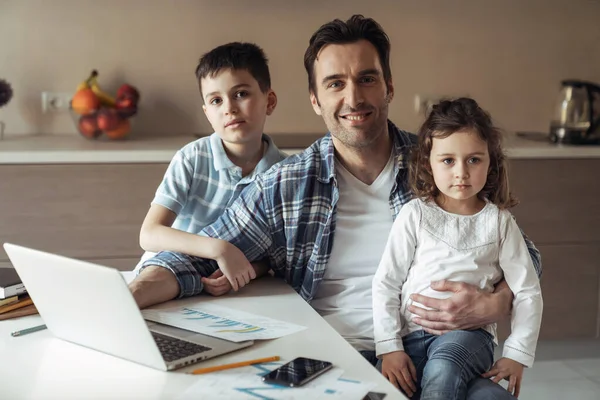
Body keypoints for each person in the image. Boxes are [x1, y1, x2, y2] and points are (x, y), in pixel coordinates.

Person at [129, 15, 542, 399]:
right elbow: (188, 260)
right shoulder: (287, 184)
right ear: (314, 99)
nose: (353, 97)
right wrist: (132, 295)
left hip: (436, 347)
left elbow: (524, 257)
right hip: (333, 357)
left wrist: (495, 302)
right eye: (334, 84)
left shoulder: (437, 165)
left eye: (366, 79)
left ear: (389, 87)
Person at [372, 97, 543, 399]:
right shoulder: (415, 214)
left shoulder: (499, 222)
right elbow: (386, 282)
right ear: (428, 163)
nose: (461, 172)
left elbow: (527, 290)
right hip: (410, 337)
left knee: (443, 370)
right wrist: (389, 347)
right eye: (448, 160)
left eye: (474, 160)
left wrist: (517, 353)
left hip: (468, 338)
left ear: (490, 162)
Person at [134, 42, 287, 291]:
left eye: (241, 94)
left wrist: (243, 272)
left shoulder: (283, 173)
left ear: (269, 101)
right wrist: (219, 249)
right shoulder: (192, 158)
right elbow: (149, 235)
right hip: (164, 271)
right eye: (216, 100)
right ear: (207, 113)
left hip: (229, 288)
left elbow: (276, 255)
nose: (229, 108)